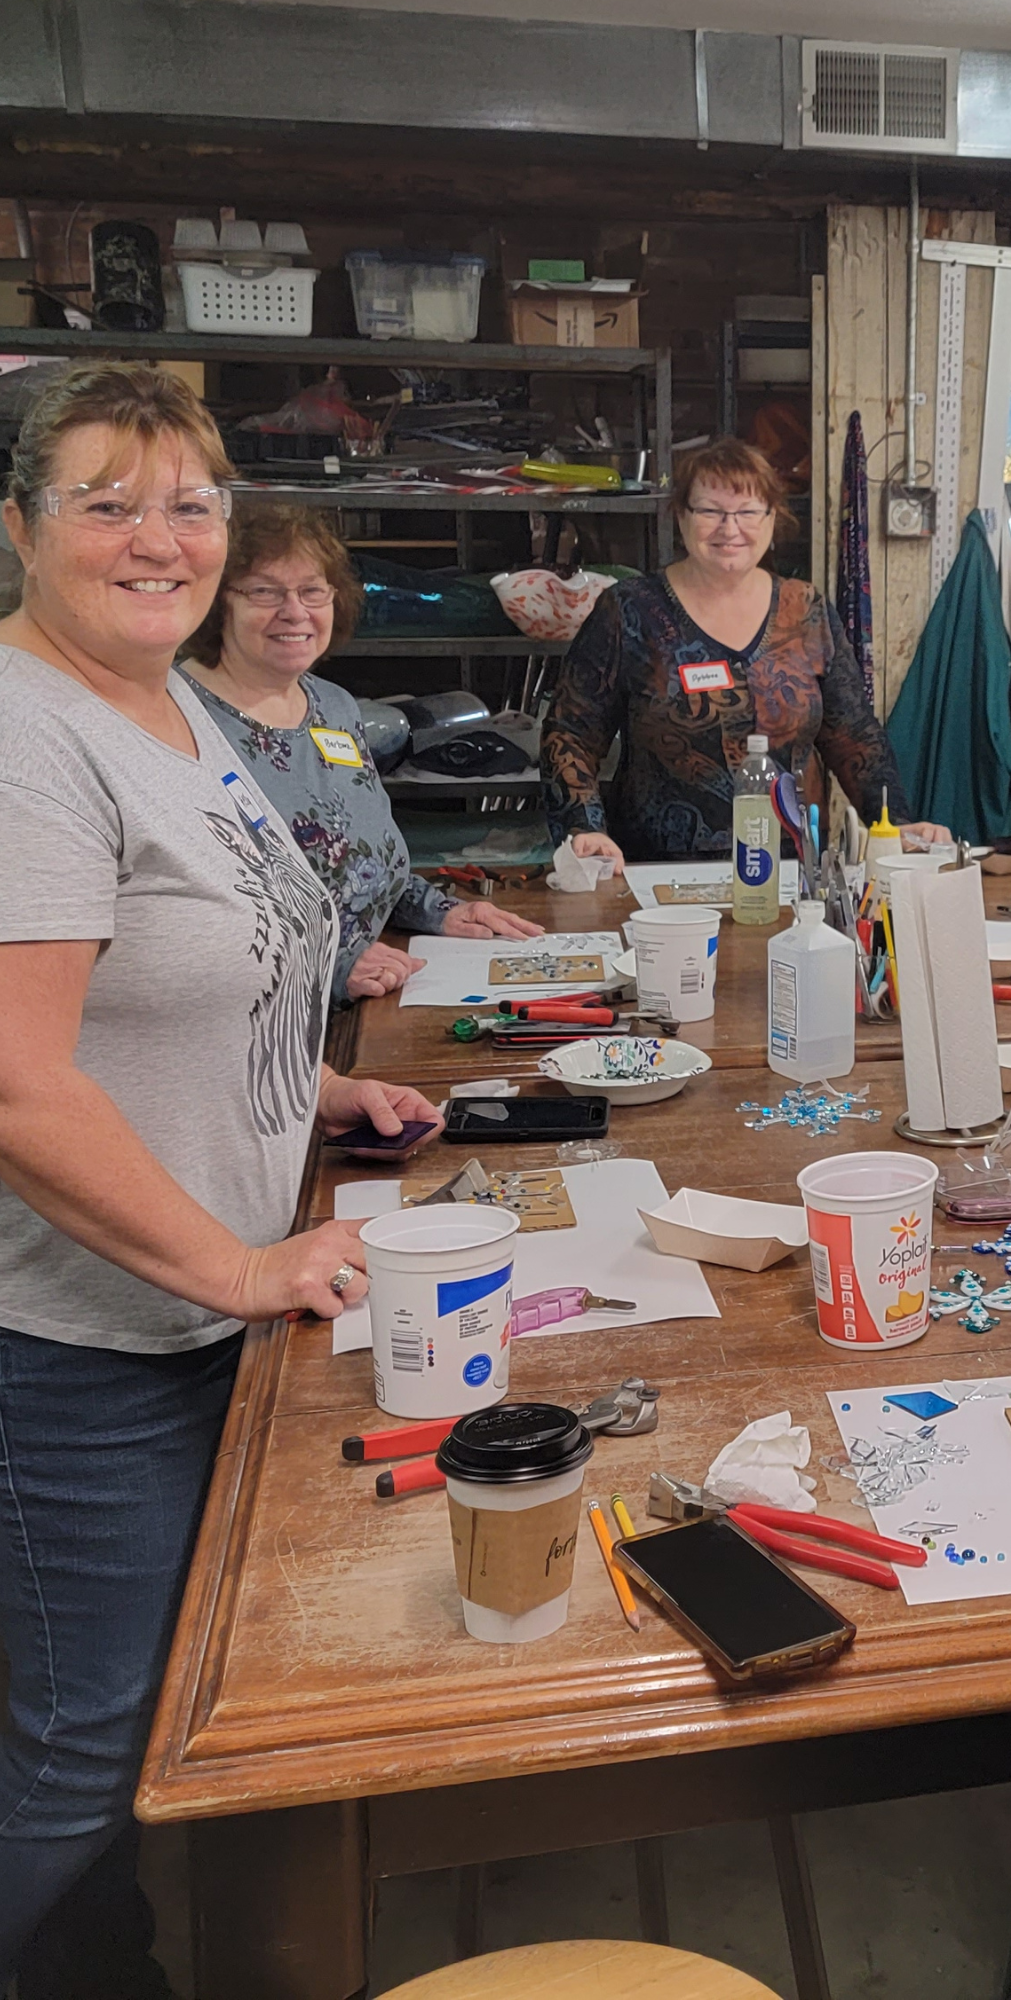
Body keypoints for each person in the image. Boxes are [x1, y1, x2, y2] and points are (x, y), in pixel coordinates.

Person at [0, 362, 441, 1996]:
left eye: (188, 503)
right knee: (86, 1747)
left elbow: (213, 965)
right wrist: (241, 1267)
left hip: (204, 1309)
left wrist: (324, 1089)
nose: (156, 537)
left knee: (164, 1717)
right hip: (89, 1347)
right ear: (19, 529)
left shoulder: (170, 700)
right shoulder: (25, 734)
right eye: (105, 501)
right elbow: (18, 1082)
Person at [179, 505, 542, 1002]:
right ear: (218, 601)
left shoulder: (333, 706)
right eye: (264, 591)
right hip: (256, 1028)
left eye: (312, 590)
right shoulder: (176, 721)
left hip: (371, 994)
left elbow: (359, 860)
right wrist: (329, 967)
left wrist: (439, 909)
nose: (294, 611)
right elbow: (180, 921)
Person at [540, 436, 949, 868]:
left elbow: (854, 735)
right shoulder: (629, 610)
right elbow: (570, 732)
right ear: (681, 516)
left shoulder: (806, 610)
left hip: (793, 868)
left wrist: (893, 821)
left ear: (772, 518)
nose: (730, 528)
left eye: (748, 512)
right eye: (710, 511)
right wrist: (584, 827)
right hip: (656, 871)